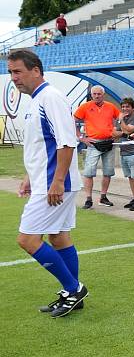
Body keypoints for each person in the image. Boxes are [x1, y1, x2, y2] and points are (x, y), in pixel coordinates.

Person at [9, 49, 88, 318]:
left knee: (27, 239)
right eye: (10, 72)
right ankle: (71, 294)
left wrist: (56, 181)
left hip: (55, 183)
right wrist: (30, 176)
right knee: (58, 236)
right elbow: (43, 145)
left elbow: (67, 142)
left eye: (17, 71)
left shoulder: (51, 97)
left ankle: (74, 288)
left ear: (35, 70)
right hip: (46, 180)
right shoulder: (35, 100)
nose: (13, 78)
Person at [74, 85, 119, 210]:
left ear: (103, 94)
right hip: (93, 143)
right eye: (94, 94)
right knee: (89, 172)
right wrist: (81, 138)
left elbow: (120, 119)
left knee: (108, 172)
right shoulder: (85, 106)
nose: (96, 96)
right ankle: (88, 198)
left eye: (99, 94)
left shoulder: (111, 106)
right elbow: (74, 121)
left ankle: (103, 197)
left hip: (108, 142)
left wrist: (117, 133)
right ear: (91, 95)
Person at [113, 98, 134, 211]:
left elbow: (127, 130)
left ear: (133, 108)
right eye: (123, 107)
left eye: (127, 107)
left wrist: (121, 123)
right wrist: (124, 133)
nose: (125, 109)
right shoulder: (123, 118)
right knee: (130, 177)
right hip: (124, 152)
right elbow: (114, 133)